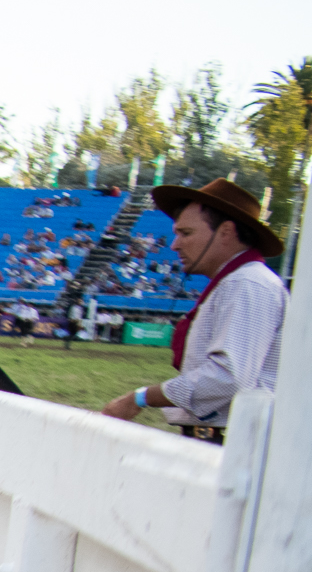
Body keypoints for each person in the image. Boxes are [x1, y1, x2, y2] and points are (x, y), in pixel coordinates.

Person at [98, 179, 284, 440]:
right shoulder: (240, 282)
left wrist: (139, 398)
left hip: (231, 442)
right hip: (227, 437)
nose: (175, 245)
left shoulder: (247, 284)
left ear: (226, 232)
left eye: (186, 233)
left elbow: (226, 377)